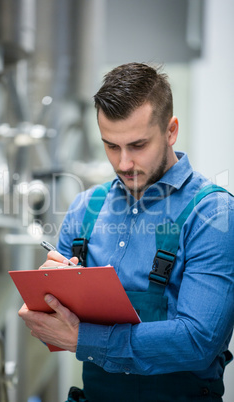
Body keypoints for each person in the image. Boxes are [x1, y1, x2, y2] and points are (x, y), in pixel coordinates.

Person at [19, 62, 234, 401]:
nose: (123, 164)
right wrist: (46, 302)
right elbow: (55, 333)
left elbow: (198, 342)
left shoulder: (213, 213)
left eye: (137, 145)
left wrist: (83, 339)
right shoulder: (85, 208)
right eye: (111, 146)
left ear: (171, 130)